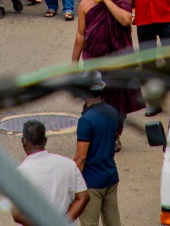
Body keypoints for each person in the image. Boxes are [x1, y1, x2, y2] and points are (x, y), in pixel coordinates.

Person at [71, 0, 144, 141]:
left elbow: (126, 20)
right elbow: (80, 35)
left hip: (119, 64)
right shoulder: (85, 5)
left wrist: (108, 1)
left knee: (117, 104)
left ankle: (114, 137)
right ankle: (92, 136)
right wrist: (74, 63)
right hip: (95, 62)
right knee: (93, 100)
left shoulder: (121, 2)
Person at [12, 119, 89, 225]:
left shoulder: (19, 173)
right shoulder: (68, 164)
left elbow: (17, 215)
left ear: (23, 141)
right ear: (45, 140)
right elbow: (83, 197)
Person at [74, 74, 121, 226]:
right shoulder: (112, 112)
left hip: (91, 182)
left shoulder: (86, 120)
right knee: (113, 222)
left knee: (89, 222)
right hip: (111, 176)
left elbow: (81, 157)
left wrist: (72, 180)